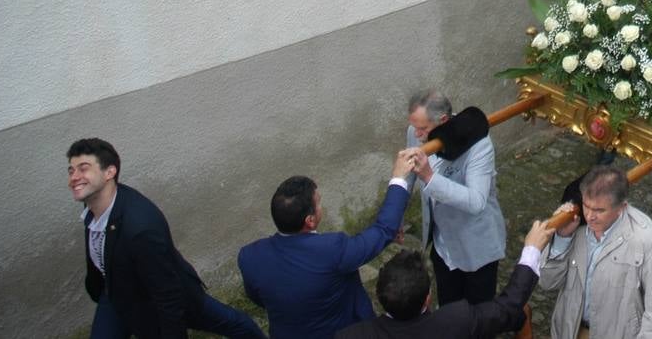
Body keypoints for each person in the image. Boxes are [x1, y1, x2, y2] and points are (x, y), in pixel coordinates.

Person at [67, 138, 267, 339]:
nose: (74, 176)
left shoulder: (140, 228)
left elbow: (168, 295)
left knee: (235, 324)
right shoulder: (92, 204)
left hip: (162, 295)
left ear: (109, 172)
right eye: (71, 170)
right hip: (118, 291)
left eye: (83, 168)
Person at [238, 153, 415, 338]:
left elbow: (258, 297)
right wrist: (399, 177)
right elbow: (384, 229)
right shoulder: (333, 249)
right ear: (310, 220)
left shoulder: (249, 256)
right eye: (319, 202)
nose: (321, 206)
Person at [335, 221, 555, 339]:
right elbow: (508, 306)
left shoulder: (352, 335)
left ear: (379, 295)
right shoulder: (457, 321)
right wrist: (532, 250)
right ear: (428, 299)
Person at [544, 167, 652, 339]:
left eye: (599, 210)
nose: (590, 216)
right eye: (586, 206)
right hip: (570, 331)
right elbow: (547, 283)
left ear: (621, 207)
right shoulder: (574, 225)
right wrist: (562, 238)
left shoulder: (647, 239)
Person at [407, 101, 507, 305]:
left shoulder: (480, 145)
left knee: (480, 314)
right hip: (443, 247)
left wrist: (430, 178)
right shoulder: (415, 131)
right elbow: (409, 174)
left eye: (423, 129)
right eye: (415, 127)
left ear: (443, 121)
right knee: (448, 307)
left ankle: (519, 317)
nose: (417, 135)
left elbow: (477, 201)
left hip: (477, 247)